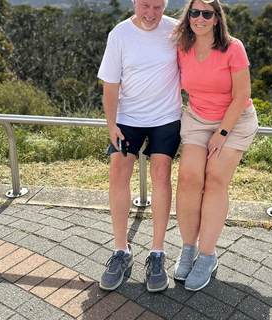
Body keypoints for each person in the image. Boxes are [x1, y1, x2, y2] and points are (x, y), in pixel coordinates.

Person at [172, 0, 258, 291]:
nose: (200, 18)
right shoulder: (182, 46)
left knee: (216, 179)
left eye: (207, 13)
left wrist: (221, 133)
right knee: (187, 178)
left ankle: (207, 255)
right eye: (194, 12)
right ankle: (188, 249)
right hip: (197, 118)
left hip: (233, 121)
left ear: (217, 19)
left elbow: (242, 94)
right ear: (188, 16)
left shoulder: (233, 48)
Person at [97, 0, 182, 292]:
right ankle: (121, 250)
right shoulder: (119, 34)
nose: (151, 13)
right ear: (134, 2)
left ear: (166, 5)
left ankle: (157, 254)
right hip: (128, 117)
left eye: (158, 7)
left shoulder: (176, 31)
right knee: (118, 172)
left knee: (161, 174)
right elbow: (110, 83)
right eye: (145, 5)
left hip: (166, 116)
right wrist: (111, 125)